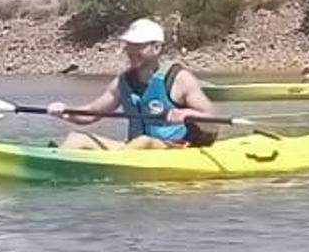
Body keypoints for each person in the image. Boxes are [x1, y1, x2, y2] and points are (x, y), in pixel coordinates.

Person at [48, 19, 220, 152]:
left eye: (138, 45)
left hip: (173, 149)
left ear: (157, 48)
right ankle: (52, 165)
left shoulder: (180, 79)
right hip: (132, 149)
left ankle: (115, 167)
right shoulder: (122, 82)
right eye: (129, 45)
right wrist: (65, 111)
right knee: (77, 138)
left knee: (143, 142)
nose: (130, 50)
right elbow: (91, 113)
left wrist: (186, 113)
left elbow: (212, 121)